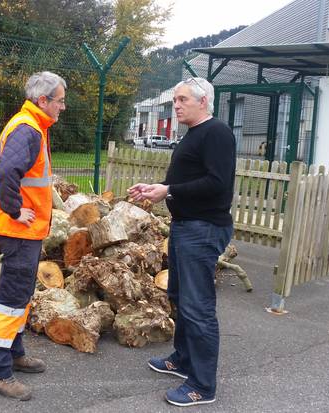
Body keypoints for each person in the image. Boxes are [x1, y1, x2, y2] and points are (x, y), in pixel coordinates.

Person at [127, 77, 235, 407]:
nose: (176, 105)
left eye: (182, 99)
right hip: (185, 227)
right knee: (178, 296)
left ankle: (202, 386)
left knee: (198, 308)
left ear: (203, 101)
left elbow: (217, 184)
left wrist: (170, 191)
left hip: (202, 229)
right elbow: (184, 180)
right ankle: (184, 359)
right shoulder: (194, 134)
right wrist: (157, 187)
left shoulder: (216, 133)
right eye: (175, 99)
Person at [0, 71, 66, 401]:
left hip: (25, 230)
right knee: (11, 298)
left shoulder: (32, 125)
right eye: (59, 100)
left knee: (21, 294)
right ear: (43, 101)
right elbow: (7, 174)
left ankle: (14, 353)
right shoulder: (27, 129)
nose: (63, 106)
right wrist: (14, 210)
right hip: (18, 229)